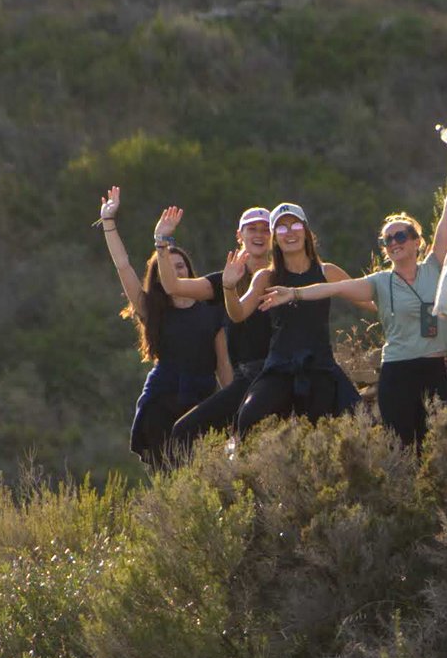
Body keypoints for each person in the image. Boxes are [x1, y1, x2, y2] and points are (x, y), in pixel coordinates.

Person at [272, 158, 447, 448]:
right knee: (401, 447)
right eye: (387, 240)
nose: (394, 242)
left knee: (439, 445)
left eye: (401, 236)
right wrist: (294, 293)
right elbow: (335, 287)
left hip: (433, 369)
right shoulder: (379, 282)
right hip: (397, 372)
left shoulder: (434, 267)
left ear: (417, 242)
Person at [96, 190, 233, 459]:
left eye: (180, 266)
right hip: (161, 399)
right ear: (158, 277)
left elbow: (223, 365)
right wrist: (108, 222)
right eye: (167, 267)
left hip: (201, 399)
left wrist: (232, 404)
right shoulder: (152, 309)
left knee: (200, 467)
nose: (176, 270)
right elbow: (123, 266)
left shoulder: (212, 309)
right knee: (165, 468)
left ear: (189, 270)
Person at [229, 204, 363, 436]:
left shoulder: (326, 272)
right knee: (248, 417)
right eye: (281, 228)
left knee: (355, 420)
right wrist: (228, 287)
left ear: (306, 232)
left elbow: (368, 298)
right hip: (280, 366)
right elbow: (238, 313)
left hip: (320, 365)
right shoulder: (266, 277)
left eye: (295, 225)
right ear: (275, 239)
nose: (290, 232)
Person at [166, 206, 278, 454]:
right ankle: (204, 480)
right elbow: (172, 286)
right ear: (240, 235)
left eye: (265, 230)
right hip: (244, 379)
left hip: (276, 374)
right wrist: (162, 242)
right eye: (252, 229)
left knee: (248, 437)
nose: (259, 235)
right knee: (184, 431)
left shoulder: (283, 278)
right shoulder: (224, 280)